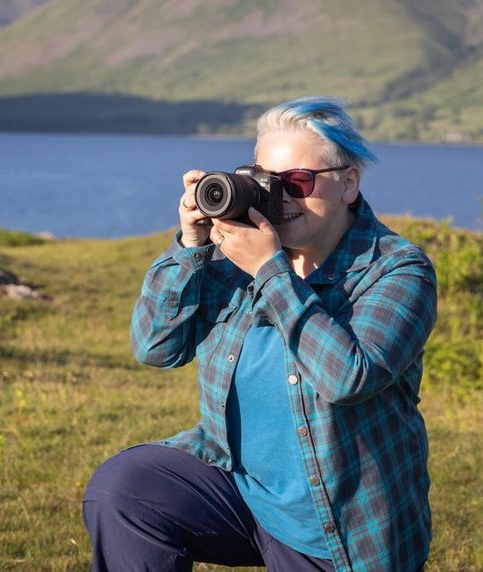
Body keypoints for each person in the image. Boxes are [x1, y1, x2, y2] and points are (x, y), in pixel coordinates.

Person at [82, 96, 438, 572]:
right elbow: (154, 347)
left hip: (339, 529)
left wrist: (270, 271)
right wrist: (191, 245)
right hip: (242, 491)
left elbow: (350, 378)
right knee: (125, 490)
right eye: (263, 181)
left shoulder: (396, 269)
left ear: (349, 183)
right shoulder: (234, 261)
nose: (279, 197)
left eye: (297, 182)